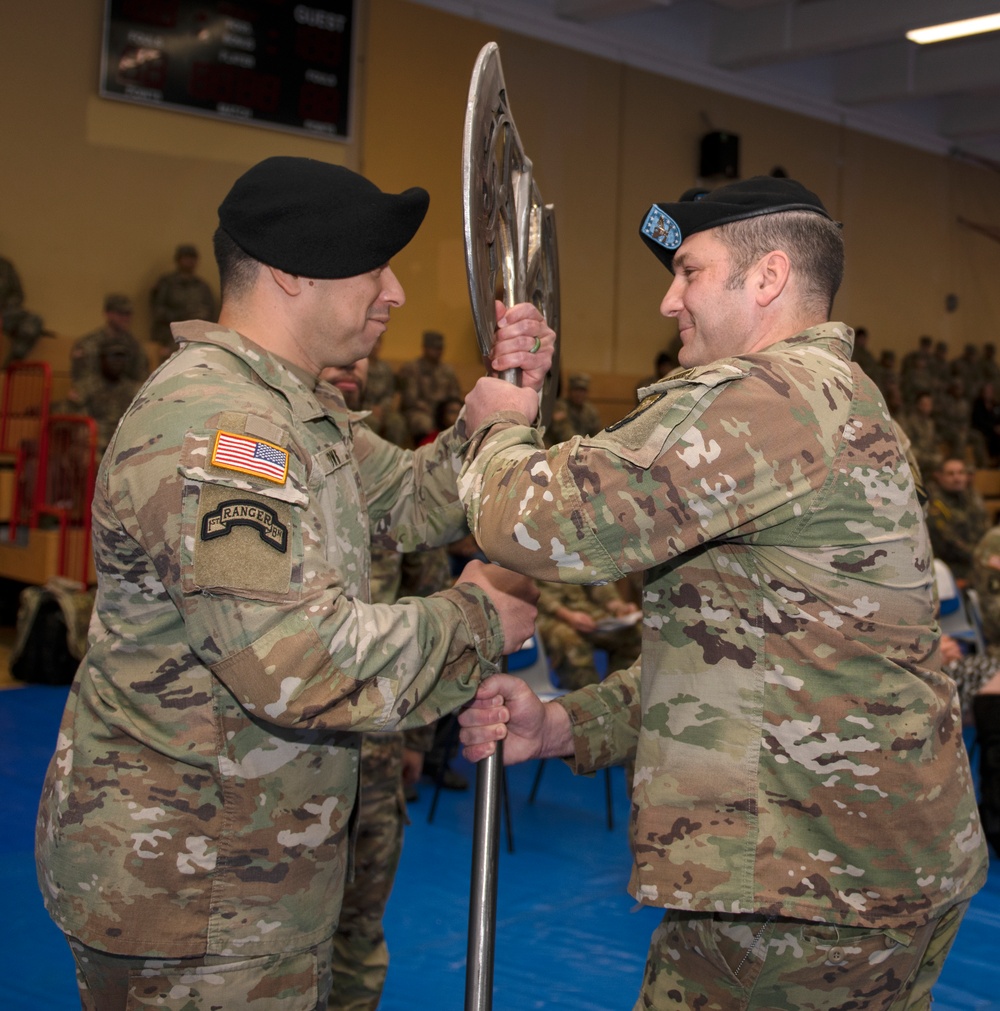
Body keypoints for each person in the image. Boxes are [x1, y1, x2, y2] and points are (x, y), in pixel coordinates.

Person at [34, 155, 554, 1009]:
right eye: (372, 266)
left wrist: (492, 407)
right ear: (288, 271)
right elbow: (294, 664)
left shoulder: (295, 411)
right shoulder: (223, 426)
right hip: (193, 898)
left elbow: (417, 501)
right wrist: (474, 620)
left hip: (248, 880)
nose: (393, 292)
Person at [455, 175, 987, 1009]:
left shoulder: (768, 398)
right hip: (866, 872)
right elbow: (745, 657)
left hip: (802, 892)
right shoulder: (842, 398)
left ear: (767, 278)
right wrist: (565, 723)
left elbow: (533, 521)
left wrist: (497, 419)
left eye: (689, 272)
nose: (670, 301)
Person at [536, 579, 641, 690]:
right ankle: (583, 698)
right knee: (572, 643)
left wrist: (616, 605)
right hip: (545, 614)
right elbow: (532, 590)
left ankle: (617, 691)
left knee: (634, 634)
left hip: (583, 609)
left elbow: (596, 578)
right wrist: (567, 615)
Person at [68, 293, 148, 406]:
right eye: (121, 313)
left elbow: (141, 381)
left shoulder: (135, 346)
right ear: (108, 314)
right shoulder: (88, 344)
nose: (126, 318)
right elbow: (82, 382)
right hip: (96, 400)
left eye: (128, 314)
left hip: (124, 400)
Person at [150, 243, 218, 364]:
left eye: (192, 258)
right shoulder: (167, 284)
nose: (189, 262)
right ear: (178, 260)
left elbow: (212, 314)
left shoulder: (202, 287)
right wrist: (182, 315)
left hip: (198, 336)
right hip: (171, 337)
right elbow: (158, 312)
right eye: (186, 258)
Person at [925, 457, 989, 584]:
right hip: (951, 565)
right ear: (939, 476)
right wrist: (983, 557)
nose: (957, 478)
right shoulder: (934, 503)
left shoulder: (972, 497)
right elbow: (950, 543)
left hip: (977, 560)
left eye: (961, 473)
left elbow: (986, 529)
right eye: (950, 474)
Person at [397, 329, 463, 443]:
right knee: (423, 422)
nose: (438, 352)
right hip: (419, 411)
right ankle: (423, 452)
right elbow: (410, 399)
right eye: (434, 348)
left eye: (440, 348)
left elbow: (454, 397)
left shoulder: (447, 371)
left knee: (457, 420)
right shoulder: (412, 368)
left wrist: (448, 411)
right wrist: (432, 410)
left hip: (443, 411)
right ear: (425, 348)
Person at [546, 371, 603, 445]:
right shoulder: (560, 407)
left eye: (582, 390)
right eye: (576, 390)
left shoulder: (590, 410)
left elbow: (597, 434)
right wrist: (586, 444)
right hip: (558, 449)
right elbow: (564, 434)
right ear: (569, 391)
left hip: (583, 448)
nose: (579, 394)